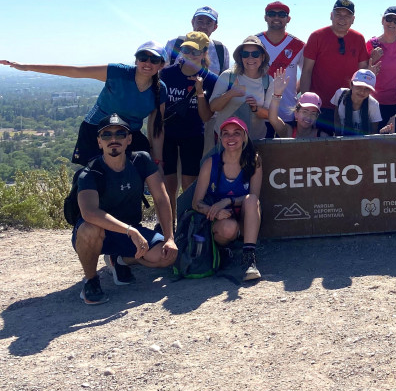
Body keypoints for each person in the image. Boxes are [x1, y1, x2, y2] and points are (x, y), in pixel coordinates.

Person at [2, 42, 167, 167]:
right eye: (143, 58)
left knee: (138, 172)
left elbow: (156, 127)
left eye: (154, 59)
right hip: (95, 130)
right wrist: (26, 67)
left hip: (128, 135)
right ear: (136, 60)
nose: (147, 63)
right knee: (95, 177)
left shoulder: (160, 90)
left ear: (161, 64)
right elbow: (76, 71)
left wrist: (157, 159)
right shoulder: (118, 72)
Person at [71, 114, 177, 304]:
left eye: (120, 134)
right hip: (100, 233)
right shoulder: (90, 173)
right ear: (99, 142)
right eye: (106, 135)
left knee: (166, 256)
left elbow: (161, 198)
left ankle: (119, 259)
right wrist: (130, 230)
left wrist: (169, 237)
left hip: (129, 233)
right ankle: (91, 281)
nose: (113, 139)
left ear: (129, 140)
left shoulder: (141, 161)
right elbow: (89, 213)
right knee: (89, 228)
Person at [193, 117, 263, 282]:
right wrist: (214, 212)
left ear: (245, 136)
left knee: (252, 200)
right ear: (221, 138)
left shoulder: (254, 161)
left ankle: (249, 259)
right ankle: (223, 250)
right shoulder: (211, 164)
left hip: (245, 218)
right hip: (222, 221)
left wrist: (228, 201)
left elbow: (254, 197)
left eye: (236, 133)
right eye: (226, 134)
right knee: (228, 228)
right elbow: (196, 202)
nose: (231, 138)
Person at [159, 31, 218, 220]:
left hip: (193, 136)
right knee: (168, 185)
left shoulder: (210, 79)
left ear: (204, 53)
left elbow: (207, 116)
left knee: (189, 184)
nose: (190, 55)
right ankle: (169, 226)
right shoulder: (167, 74)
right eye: (186, 50)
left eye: (195, 52)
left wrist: (200, 93)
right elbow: (157, 110)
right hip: (167, 134)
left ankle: (185, 224)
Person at [299, 0, 369, 134]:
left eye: (347, 15)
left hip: (349, 106)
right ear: (331, 15)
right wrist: (305, 102)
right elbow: (306, 71)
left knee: (348, 148)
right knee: (320, 148)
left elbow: (362, 72)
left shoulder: (359, 38)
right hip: (320, 106)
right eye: (338, 14)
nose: (342, 19)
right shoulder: (316, 36)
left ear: (353, 19)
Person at [209, 36, 274, 140]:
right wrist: (230, 94)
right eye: (245, 54)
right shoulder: (228, 76)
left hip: (255, 139)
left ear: (262, 57)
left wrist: (255, 108)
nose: (250, 58)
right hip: (226, 140)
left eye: (255, 54)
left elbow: (269, 115)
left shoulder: (268, 81)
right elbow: (213, 107)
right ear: (241, 57)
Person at [258, 1, 305, 124]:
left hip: (287, 112)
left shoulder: (298, 45)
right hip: (259, 112)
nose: (276, 17)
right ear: (265, 17)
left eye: (281, 14)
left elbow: (306, 74)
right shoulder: (255, 42)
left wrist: (293, 92)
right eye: (272, 14)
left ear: (288, 19)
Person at [365, 6, 396, 123]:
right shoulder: (371, 44)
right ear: (382, 20)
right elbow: (361, 73)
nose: (392, 23)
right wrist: (372, 59)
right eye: (389, 19)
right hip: (374, 102)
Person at [164, 6, 231, 76]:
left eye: (208, 23)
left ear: (215, 27)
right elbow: (160, 73)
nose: (204, 26)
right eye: (200, 21)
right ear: (192, 22)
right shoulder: (174, 44)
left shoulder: (221, 50)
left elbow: (224, 80)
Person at [331, 69, 382, 136]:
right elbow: (336, 117)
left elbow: (373, 131)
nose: (362, 92)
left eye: (367, 88)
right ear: (351, 85)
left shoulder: (373, 104)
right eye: (359, 87)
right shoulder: (340, 94)